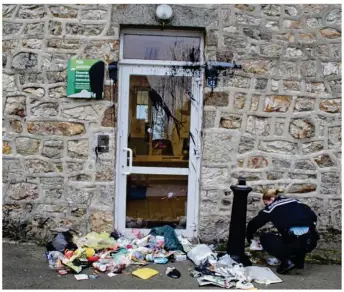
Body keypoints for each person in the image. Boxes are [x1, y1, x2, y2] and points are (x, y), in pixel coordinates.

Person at [246, 188, 319, 274]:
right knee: (299, 235)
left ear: (271, 199)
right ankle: (298, 262)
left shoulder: (271, 208)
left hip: (293, 242)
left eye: (266, 203)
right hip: (311, 241)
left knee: (265, 238)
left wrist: (249, 237)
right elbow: (313, 217)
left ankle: (286, 261)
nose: (266, 205)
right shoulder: (296, 201)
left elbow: (254, 224)